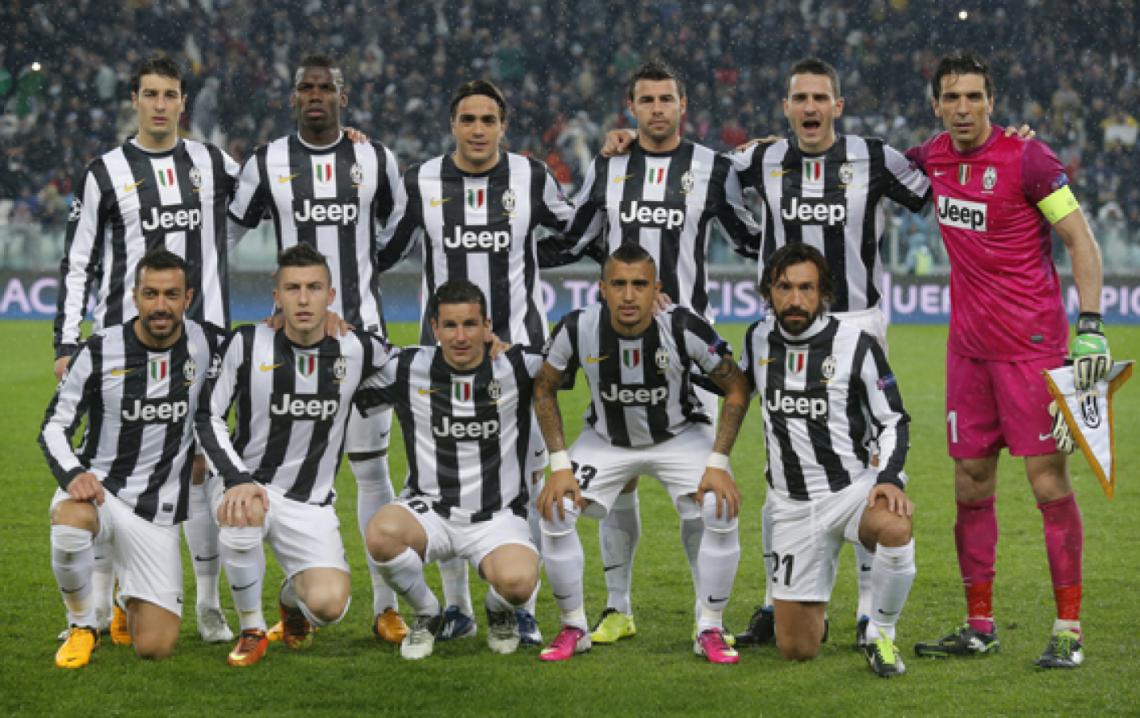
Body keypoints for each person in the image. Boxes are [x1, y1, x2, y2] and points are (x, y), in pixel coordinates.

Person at [908, 52, 1109, 669]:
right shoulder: (931, 158)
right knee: (970, 485)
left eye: (973, 96)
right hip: (968, 355)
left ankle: (1068, 630)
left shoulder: (1028, 158)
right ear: (937, 104)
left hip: (1034, 352)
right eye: (951, 97)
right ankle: (979, 624)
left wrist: (1091, 326)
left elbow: (1080, 239)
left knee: (1048, 484)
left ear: (992, 102)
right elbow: (855, 160)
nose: (963, 108)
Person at [553, 60, 762, 646]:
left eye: (666, 99)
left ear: (683, 104)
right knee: (617, 477)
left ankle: (707, 620)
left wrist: (769, 163)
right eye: (646, 101)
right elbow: (574, 235)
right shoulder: (611, 166)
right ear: (631, 107)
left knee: (699, 497)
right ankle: (618, 607)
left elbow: (749, 239)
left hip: (688, 348)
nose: (657, 109)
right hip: (615, 344)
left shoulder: (710, 168)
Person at [726, 57, 929, 647]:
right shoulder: (760, 160)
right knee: (783, 462)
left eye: (821, 98)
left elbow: (934, 187)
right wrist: (625, 142)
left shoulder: (875, 157)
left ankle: (869, 608)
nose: (810, 107)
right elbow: (706, 182)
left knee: (866, 461)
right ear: (786, 108)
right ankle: (774, 598)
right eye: (799, 98)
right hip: (784, 322)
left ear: (838, 106)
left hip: (855, 323)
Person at [376, 79, 576, 645]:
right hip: (443, 355)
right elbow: (383, 249)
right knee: (444, 474)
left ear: (503, 125)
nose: (478, 130)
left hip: (518, 355)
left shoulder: (531, 177)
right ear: (453, 124)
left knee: (531, 477)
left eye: (488, 119)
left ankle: (518, 600)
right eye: (468, 120)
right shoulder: (422, 181)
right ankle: (457, 606)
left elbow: (575, 231)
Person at [53, 54, 237, 646]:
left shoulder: (212, 162)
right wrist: (66, 340)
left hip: (206, 345)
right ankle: (105, 606)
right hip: (123, 342)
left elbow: (272, 191)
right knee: (110, 463)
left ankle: (208, 605)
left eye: (171, 94)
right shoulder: (104, 171)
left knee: (204, 469)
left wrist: (344, 141)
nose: (161, 104)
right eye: (151, 94)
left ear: (185, 102)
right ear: (134, 99)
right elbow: (78, 259)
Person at [226, 54, 407, 643]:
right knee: (278, 466)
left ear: (342, 96)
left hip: (363, 343)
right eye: (305, 87)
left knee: (372, 472)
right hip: (291, 345)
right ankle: (279, 589)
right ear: (292, 96)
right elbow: (223, 235)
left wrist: (357, 284)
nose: (315, 95)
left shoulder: (373, 157)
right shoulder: (266, 162)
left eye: (325, 87)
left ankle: (384, 607)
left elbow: (400, 227)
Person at [532, 243, 750, 664]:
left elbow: (736, 386)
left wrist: (718, 463)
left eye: (639, 285)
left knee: (719, 506)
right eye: (618, 284)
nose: (628, 295)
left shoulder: (684, 326)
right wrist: (559, 465)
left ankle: (710, 625)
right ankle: (574, 625)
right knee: (555, 505)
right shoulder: (578, 327)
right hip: (607, 441)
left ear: (657, 290)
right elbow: (544, 387)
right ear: (602, 288)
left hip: (680, 437)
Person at [195, 244, 393, 667]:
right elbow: (207, 415)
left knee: (329, 607)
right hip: (248, 482)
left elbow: (412, 370)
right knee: (243, 514)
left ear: (331, 296)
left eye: (314, 288)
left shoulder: (356, 348)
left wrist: (488, 351)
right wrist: (235, 478)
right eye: (293, 289)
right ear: (277, 297)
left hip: (311, 501)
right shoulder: (247, 342)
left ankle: (290, 602)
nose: (304, 299)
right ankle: (251, 628)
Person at [742, 242, 916, 677]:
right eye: (785, 288)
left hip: (850, 492)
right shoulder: (757, 338)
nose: (795, 299)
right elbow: (728, 387)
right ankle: (809, 614)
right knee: (797, 650)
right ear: (769, 292)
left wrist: (890, 478)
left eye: (806, 288)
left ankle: (881, 634)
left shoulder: (855, 344)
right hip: (792, 507)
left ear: (824, 295)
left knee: (894, 526)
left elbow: (893, 417)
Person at [42, 250, 217, 668]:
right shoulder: (100, 350)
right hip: (101, 493)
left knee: (155, 648)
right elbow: (54, 425)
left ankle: (126, 597)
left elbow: (265, 343)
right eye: (151, 294)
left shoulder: (208, 342)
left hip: (156, 513)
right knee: (70, 520)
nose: (161, 306)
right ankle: (82, 625)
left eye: (171, 295)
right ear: (135, 296)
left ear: (187, 297)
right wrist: (73, 475)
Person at [355, 279, 543, 660]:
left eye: (470, 325)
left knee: (519, 584)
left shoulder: (519, 365)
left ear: (487, 326)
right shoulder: (406, 368)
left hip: (497, 517)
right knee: (380, 535)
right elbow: (344, 383)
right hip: (430, 511)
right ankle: (427, 612)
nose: (460, 336)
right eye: (451, 326)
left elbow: (582, 356)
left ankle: (498, 610)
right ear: (434, 327)